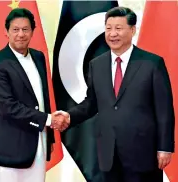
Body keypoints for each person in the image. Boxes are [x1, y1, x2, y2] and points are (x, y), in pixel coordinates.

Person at [54, 6, 175, 182]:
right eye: (108, 28)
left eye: (118, 28)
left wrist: (165, 147)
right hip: (108, 154)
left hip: (143, 154)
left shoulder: (151, 63)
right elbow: (91, 103)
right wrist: (69, 116)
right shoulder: (97, 65)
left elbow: (164, 110)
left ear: (132, 30)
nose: (112, 34)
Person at [0, 8, 69, 182]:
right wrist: (48, 120)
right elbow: (8, 107)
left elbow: (42, 98)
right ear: (7, 32)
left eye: (25, 29)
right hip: (9, 148)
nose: (21, 34)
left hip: (39, 142)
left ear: (32, 31)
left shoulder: (39, 57)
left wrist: (50, 137)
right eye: (15, 29)